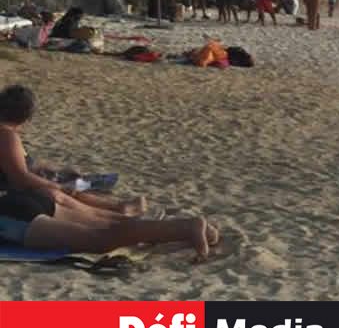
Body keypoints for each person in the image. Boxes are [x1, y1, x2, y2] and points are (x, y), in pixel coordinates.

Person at [0, 86, 217, 260]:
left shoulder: (6, 135)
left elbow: (19, 176)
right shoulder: (7, 135)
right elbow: (19, 175)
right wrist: (56, 184)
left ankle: (187, 228)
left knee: (99, 239)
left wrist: (55, 183)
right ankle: (186, 227)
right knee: (109, 225)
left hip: (14, 212)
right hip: (24, 201)